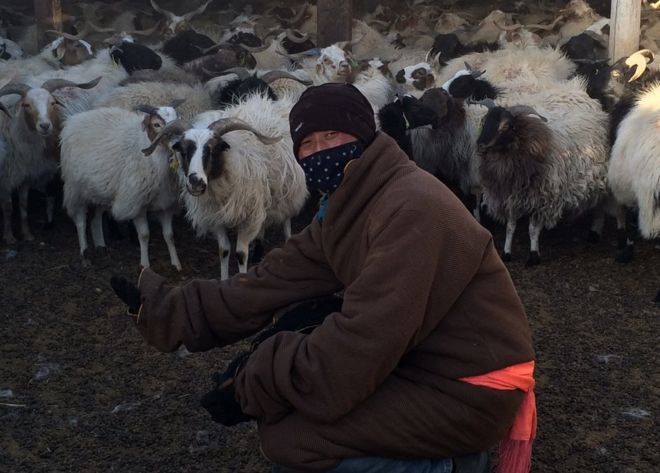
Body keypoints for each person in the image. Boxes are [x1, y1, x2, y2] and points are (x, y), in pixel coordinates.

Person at [111, 83, 536, 473]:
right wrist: (174, 309)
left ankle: (455, 465)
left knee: (295, 439)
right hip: (422, 359)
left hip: (468, 387)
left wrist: (256, 379)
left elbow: (362, 344)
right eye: (307, 144)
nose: (318, 152)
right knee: (290, 422)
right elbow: (275, 279)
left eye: (331, 137)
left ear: (363, 137)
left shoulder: (411, 207)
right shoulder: (349, 205)